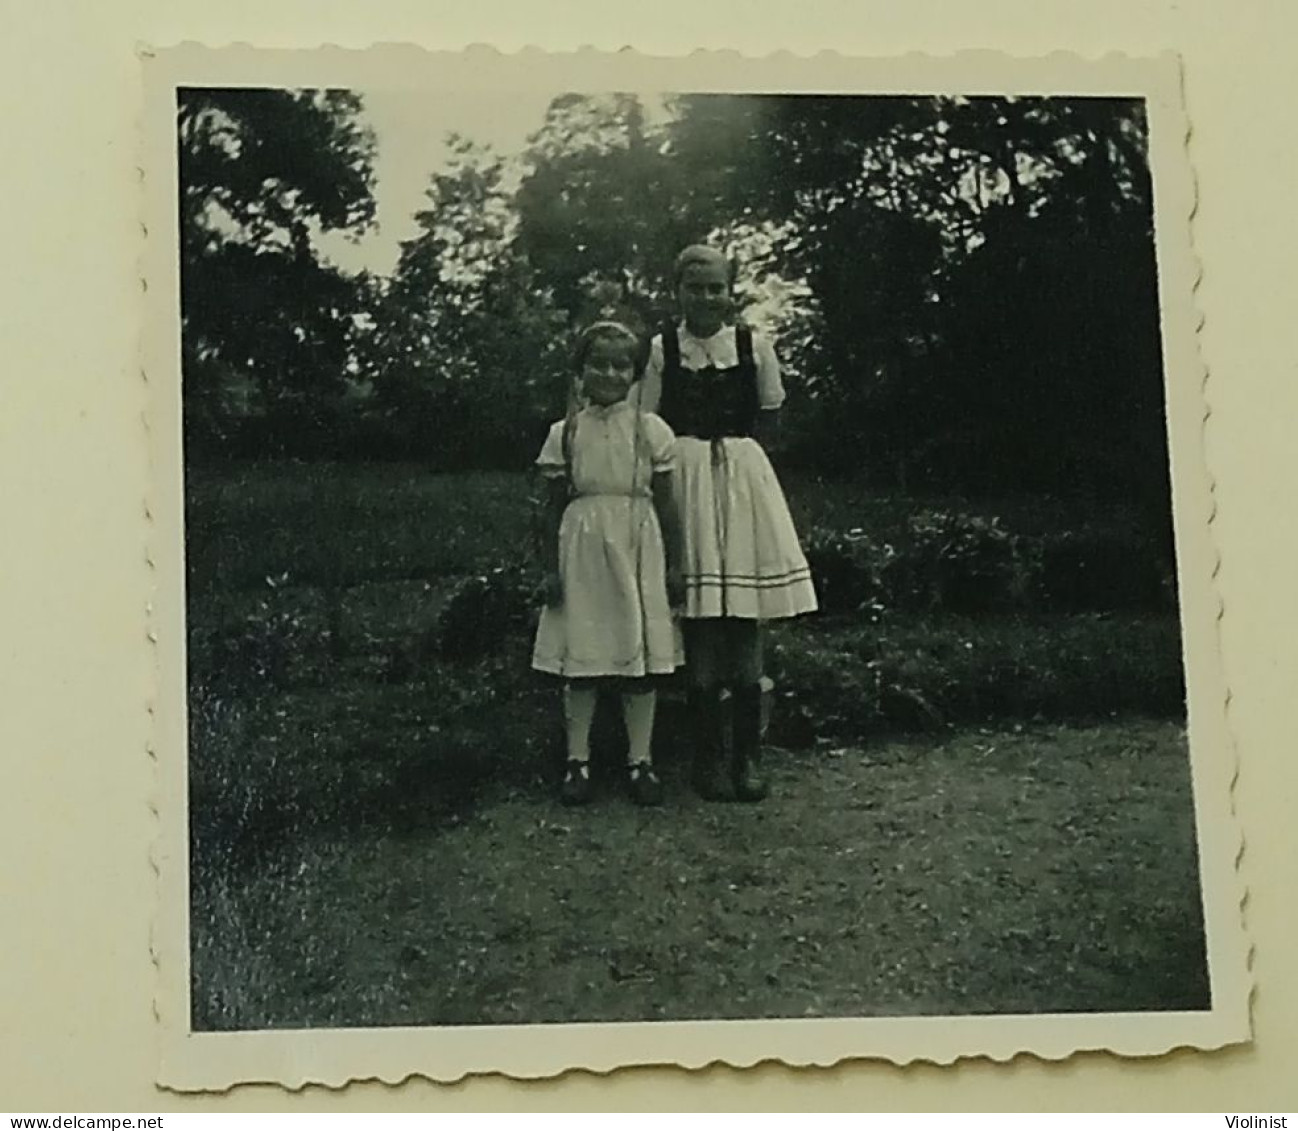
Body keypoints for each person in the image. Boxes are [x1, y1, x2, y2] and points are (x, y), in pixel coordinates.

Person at [633, 245, 817, 802]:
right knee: (701, 617)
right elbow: (647, 426)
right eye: (696, 288)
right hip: (685, 477)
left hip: (740, 479)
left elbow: (770, 417)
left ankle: (747, 760)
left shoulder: (753, 346)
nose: (708, 298)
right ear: (678, 292)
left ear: (730, 291)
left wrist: (743, 472)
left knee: (744, 618)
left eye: (717, 288)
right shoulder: (664, 350)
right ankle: (707, 758)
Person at [532, 321, 685, 807]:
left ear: (636, 375)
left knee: (636, 657)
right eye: (599, 363)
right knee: (583, 654)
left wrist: (676, 566)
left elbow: (667, 504)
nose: (610, 374)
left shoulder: (650, 429)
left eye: (622, 365)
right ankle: (578, 761)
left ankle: (640, 761)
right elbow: (549, 507)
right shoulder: (565, 432)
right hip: (582, 547)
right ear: (580, 371)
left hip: (637, 546)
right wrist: (549, 569)